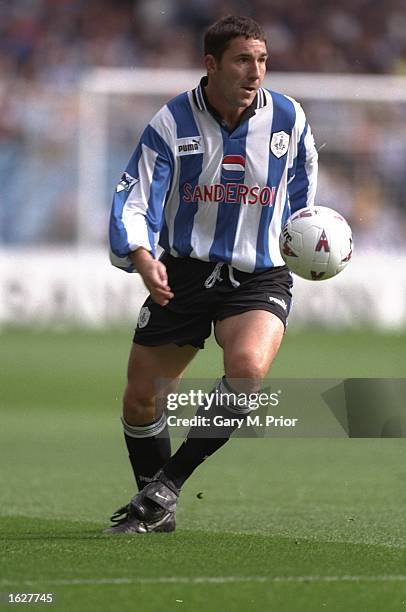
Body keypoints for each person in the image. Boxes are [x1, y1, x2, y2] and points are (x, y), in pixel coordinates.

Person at [106, 15, 318, 534]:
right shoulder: (171, 121)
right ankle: (155, 508)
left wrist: (311, 243)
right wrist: (141, 256)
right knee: (142, 398)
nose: (256, 72)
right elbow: (135, 200)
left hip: (259, 273)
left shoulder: (289, 119)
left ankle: (166, 488)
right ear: (211, 65)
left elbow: (302, 199)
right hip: (182, 271)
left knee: (246, 369)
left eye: (262, 60)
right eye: (244, 60)